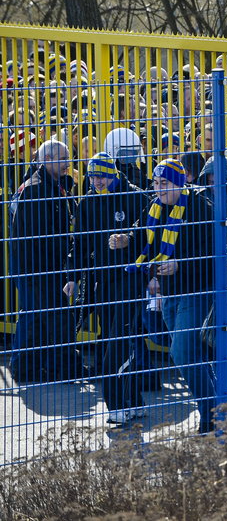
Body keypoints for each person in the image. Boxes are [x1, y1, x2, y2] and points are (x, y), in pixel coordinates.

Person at [127, 159, 216, 433]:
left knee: (182, 353)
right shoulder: (154, 207)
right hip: (168, 291)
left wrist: (181, 264)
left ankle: (210, 414)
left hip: (196, 290)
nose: (158, 189)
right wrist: (127, 238)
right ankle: (222, 409)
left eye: (164, 183)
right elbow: (142, 235)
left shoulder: (200, 206)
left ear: (179, 183)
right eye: (155, 183)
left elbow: (212, 250)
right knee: (190, 354)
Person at [64, 153, 149, 423]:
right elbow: (81, 243)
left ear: (113, 173)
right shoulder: (88, 201)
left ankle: (116, 406)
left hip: (131, 280)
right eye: (91, 176)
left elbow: (151, 237)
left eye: (101, 175)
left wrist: (129, 242)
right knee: (120, 341)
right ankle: (134, 401)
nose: (96, 181)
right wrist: (73, 277)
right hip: (103, 282)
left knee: (118, 343)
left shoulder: (136, 197)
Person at [9, 140, 83, 383]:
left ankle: (35, 368)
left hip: (37, 265)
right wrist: (66, 255)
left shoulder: (46, 185)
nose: (67, 163)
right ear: (48, 159)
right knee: (44, 317)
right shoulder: (37, 190)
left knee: (38, 316)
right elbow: (44, 235)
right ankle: (39, 369)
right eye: (62, 158)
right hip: (37, 266)